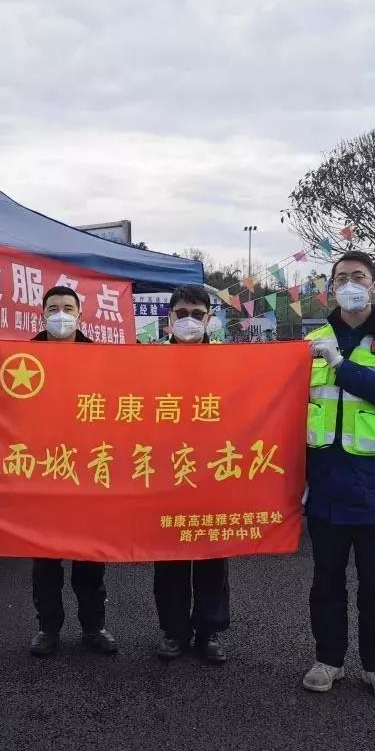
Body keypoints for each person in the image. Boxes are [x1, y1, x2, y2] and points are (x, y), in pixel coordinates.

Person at [301, 251, 375, 704]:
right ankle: (327, 659)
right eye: (341, 278)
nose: (350, 284)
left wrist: (340, 365)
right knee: (325, 579)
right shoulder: (312, 340)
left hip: (374, 485)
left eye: (359, 277)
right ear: (331, 287)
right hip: (326, 480)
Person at [29, 286, 118, 658]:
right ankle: (48, 629)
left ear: (80, 315)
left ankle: (94, 627)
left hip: (89, 471)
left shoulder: (100, 358)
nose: (60, 314)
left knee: (89, 559)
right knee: (45, 560)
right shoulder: (21, 357)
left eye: (68, 308)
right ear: (42, 313)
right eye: (53, 308)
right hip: (41, 474)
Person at [152, 283, 231, 664]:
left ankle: (210, 632)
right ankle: (173, 631)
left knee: (212, 556)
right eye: (181, 314)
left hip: (213, 474)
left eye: (196, 315)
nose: (188, 321)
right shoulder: (145, 363)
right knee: (168, 558)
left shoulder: (229, 363)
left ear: (209, 319)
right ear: (169, 319)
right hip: (166, 474)